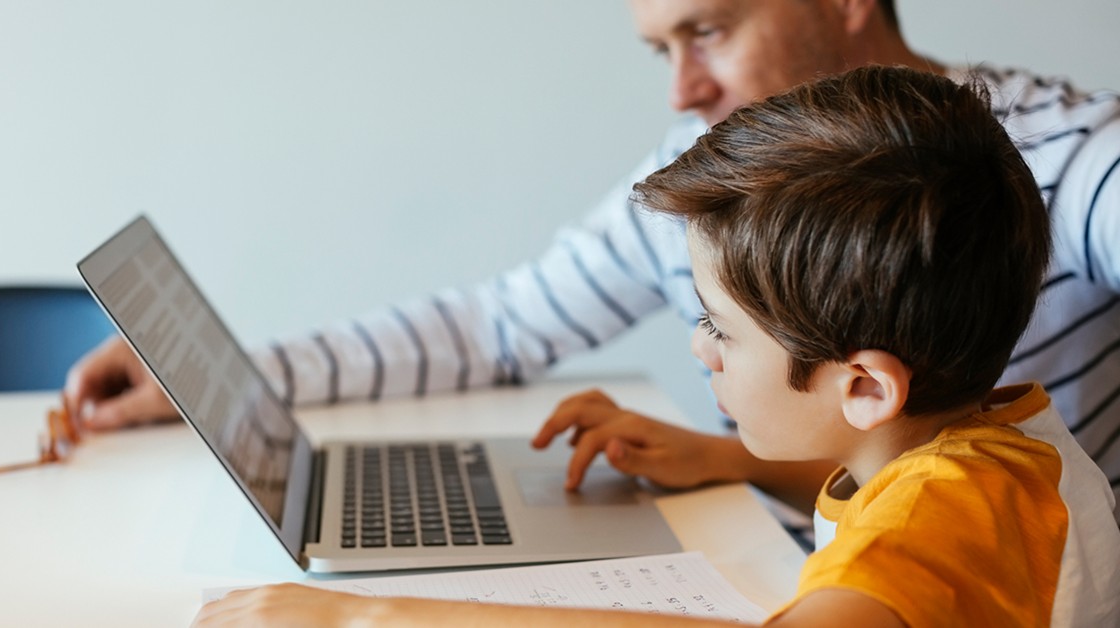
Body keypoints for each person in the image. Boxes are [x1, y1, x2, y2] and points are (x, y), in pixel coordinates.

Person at [65, 0, 1120, 523]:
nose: (680, 92)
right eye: (659, 50)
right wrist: (221, 377)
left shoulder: (1063, 159)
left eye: (706, 30)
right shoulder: (701, 174)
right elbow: (499, 323)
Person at [192, 66, 1120, 628]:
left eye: (720, 327)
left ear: (865, 386)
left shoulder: (949, 509)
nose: (699, 346)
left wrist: (364, 612)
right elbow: (890, 500)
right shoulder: (984, 446)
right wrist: (716, 457)